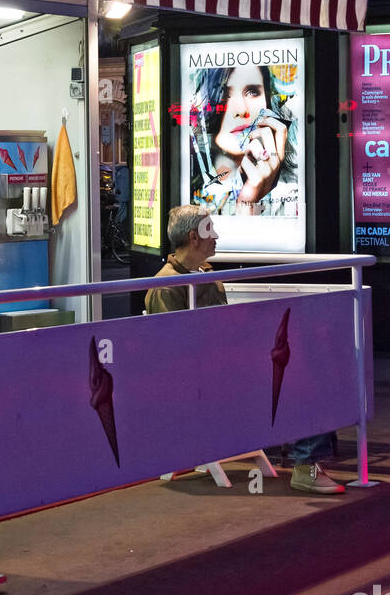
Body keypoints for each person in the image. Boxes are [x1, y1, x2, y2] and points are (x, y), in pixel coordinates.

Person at [146, 205, 345, 494]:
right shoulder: (167, 287)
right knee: (298, 379)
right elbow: (171, 353)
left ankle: (308, 463)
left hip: (224, 368)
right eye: (208, 230)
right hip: (207, 380)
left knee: (305, 365)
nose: (216, 236)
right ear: (193, 237)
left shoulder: (204, 273)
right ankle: (306, 466)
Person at [188, 63, 298, 217]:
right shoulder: (190, 188)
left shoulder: (290, 193)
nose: (241, 110)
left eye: (253, 92)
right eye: (224, 93)